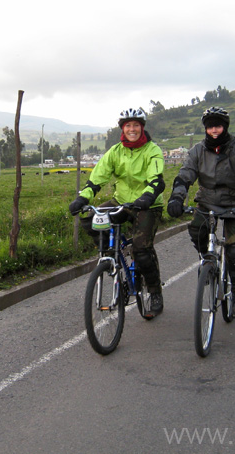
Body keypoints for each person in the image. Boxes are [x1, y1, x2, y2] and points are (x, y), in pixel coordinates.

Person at [69, 108, 166, 318]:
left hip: (148, 204)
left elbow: (156, 180)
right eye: (128, 125)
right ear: (123, 128)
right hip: (122, 201)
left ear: (142, 128)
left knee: (141, 250)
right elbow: (97, 178)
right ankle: (113, 255)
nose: (132, 129)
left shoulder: (152, 150)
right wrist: (83, 197)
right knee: (91, 221)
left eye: (136, 125)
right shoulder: (115, 151)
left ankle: (155, 292)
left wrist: (147, 197)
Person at [166, 107, 235, 318]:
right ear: (205, 129)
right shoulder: (197, 151)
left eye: (218, 126)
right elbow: (185, 175)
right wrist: (176, 198)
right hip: (207, 202)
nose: (214, 131)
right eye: (210, 127)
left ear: (225, 127)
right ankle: (207, 260)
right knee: (195, 230)